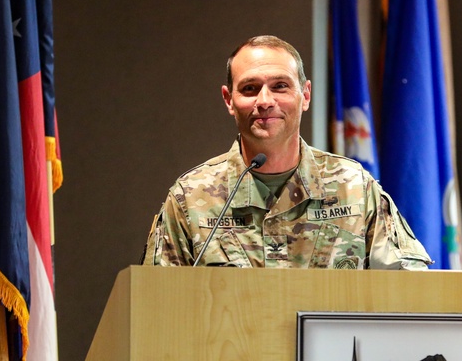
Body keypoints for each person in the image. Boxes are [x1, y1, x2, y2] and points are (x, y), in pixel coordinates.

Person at [143, 35, 431, 269]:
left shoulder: (353, 187)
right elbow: (157, 307)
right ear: (229, 100)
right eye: (250, 88)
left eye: (280, 86)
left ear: (305, 96)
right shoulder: (190, 197)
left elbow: (409, 290)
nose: (265, 101)